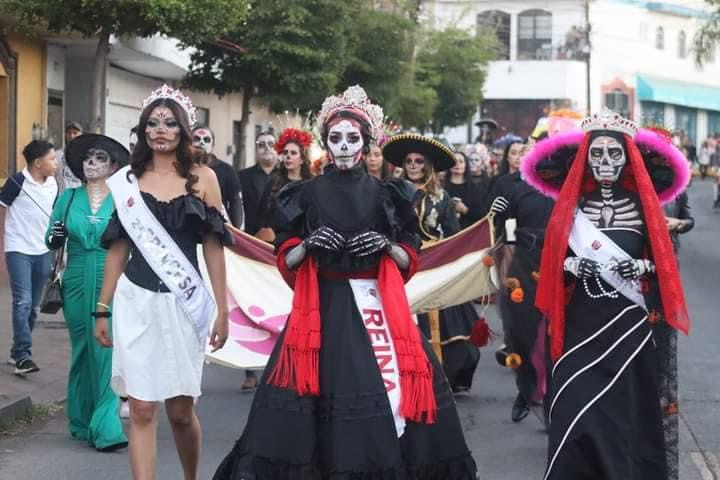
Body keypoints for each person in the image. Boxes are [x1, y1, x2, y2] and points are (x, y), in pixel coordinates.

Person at [214, 86, 477, 479]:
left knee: (392, 398)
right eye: (335, 138)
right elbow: (285, 256)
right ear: (325, 142)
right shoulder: (303, 193)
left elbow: (410, 253)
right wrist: (309, 245)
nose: (343, 146)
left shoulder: (390, 193)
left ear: (367, 143)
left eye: (353, 138)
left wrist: (387, 246)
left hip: (378, 307)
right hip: (323, 307)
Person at [521, 109, 691, 480]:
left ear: (627, 160)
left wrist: (642, 268)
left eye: (614, 154)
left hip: (627, 325)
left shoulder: (644, 210)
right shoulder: (571, 209)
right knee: (575, 403)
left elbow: (665, 269)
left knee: (621, 411)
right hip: (580, 323)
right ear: (586, 159)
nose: (605, 162)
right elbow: (551, 261)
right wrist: (571, 266)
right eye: (597, 154)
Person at [94, 84, 230, 480]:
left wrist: (223, 310)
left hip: (183, 305)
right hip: (136, 301)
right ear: (142, 130)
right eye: (152, 123)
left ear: (183, 130)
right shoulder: (127, 181)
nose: (161, 130)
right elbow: (118, 248)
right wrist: (101, 307)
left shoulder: (204, 178)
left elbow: (213, 248)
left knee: (180, 412)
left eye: (170, 123)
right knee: (141, 409)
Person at [46, 133, 129, 451]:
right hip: (77, 278)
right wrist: (55, 231)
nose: (92, 164)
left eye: (100, 159)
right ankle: (80, 420)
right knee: (82, 349)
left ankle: (106, 426)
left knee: (105, 349)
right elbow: (51, 241)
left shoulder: (122, 200)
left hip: (111, 278)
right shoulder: (67, 199)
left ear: (113, 166)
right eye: (87, 159)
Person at [384, 133, 481, 394]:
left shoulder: (443, 198)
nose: (413, 165)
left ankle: (442, 376)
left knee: (448, 329)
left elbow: (453, 233)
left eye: (418, 161)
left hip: (435, 265)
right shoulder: (391, 193)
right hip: (403, 265)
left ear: (427, 165)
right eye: (409, 161)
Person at [488, 139, 555, 424]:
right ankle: (525, 390)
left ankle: (554, 402)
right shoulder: (518, 189)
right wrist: (495, 212)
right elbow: (500, 231)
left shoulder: (568, 191)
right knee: (520, 332)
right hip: (524, 264)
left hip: (559, 264)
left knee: (555, 336)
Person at [1, 140, 58, 375]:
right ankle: (24, 355)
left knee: (34, 307)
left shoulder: (54, 184)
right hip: (18, 249)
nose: (55, 163)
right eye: (52, 159)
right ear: (37, 163)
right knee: (22, 302)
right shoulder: (16, 182)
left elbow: (55, 214)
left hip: (43, 251)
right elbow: (2, 207)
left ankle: (17, 352)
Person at [255, 127, 313, 242]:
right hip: (273, 244)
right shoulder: (274, 181)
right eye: (285, 152)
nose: (288, 156)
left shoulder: (311, 185)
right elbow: (262, 215)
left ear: (302, 159)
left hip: (301, 245)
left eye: (293, 153)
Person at [192, 125, 244, 228]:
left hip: (216, 227)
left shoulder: (226, 170)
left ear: (213, 145)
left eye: (206, 140)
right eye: (196, 139)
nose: (201, 142)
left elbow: (235, 201)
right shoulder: (182, 168)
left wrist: (236, 229)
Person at [237, 131, 278, 236]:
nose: (267, 148)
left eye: (271, 144)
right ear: (256, 149)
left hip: (281, 238)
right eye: (261, 145)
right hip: (251, 237)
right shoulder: (242, 177)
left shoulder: (287, 176)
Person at [444, 151, 488, 229]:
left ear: (466, 165)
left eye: (461, 161)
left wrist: (465, 210)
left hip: (468, 233)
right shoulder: (441, 187)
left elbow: (482, 214)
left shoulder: (474, 188)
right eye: (454, 161)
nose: (457, 164)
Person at [55, 121, 84, 192]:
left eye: (75, 133)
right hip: (62, 197)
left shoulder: (86, 155)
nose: (71, 136)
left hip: (79, 196)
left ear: (81, 135)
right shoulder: (57, 154)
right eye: (69, 133)